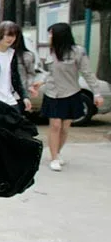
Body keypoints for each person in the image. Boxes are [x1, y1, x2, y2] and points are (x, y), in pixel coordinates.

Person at [36, 22, 103, 171]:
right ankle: (54, 157)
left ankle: (58, 152)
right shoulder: (50, 52)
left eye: (51, 34)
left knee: (65, 127)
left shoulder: (78, 52)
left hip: (71, 93)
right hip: (53, 93)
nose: (49, 37)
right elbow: (50, 72)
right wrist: (41, 82)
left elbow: (87, 73)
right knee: (55, 125)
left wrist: (97, 93)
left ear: (60, 35)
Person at [0, 20, 31, 112]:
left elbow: (16, 78)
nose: (10, 39)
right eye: (7, 35)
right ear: (0, 34)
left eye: (13, 36)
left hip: (9, 99)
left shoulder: (12, 54)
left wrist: (24, 96)